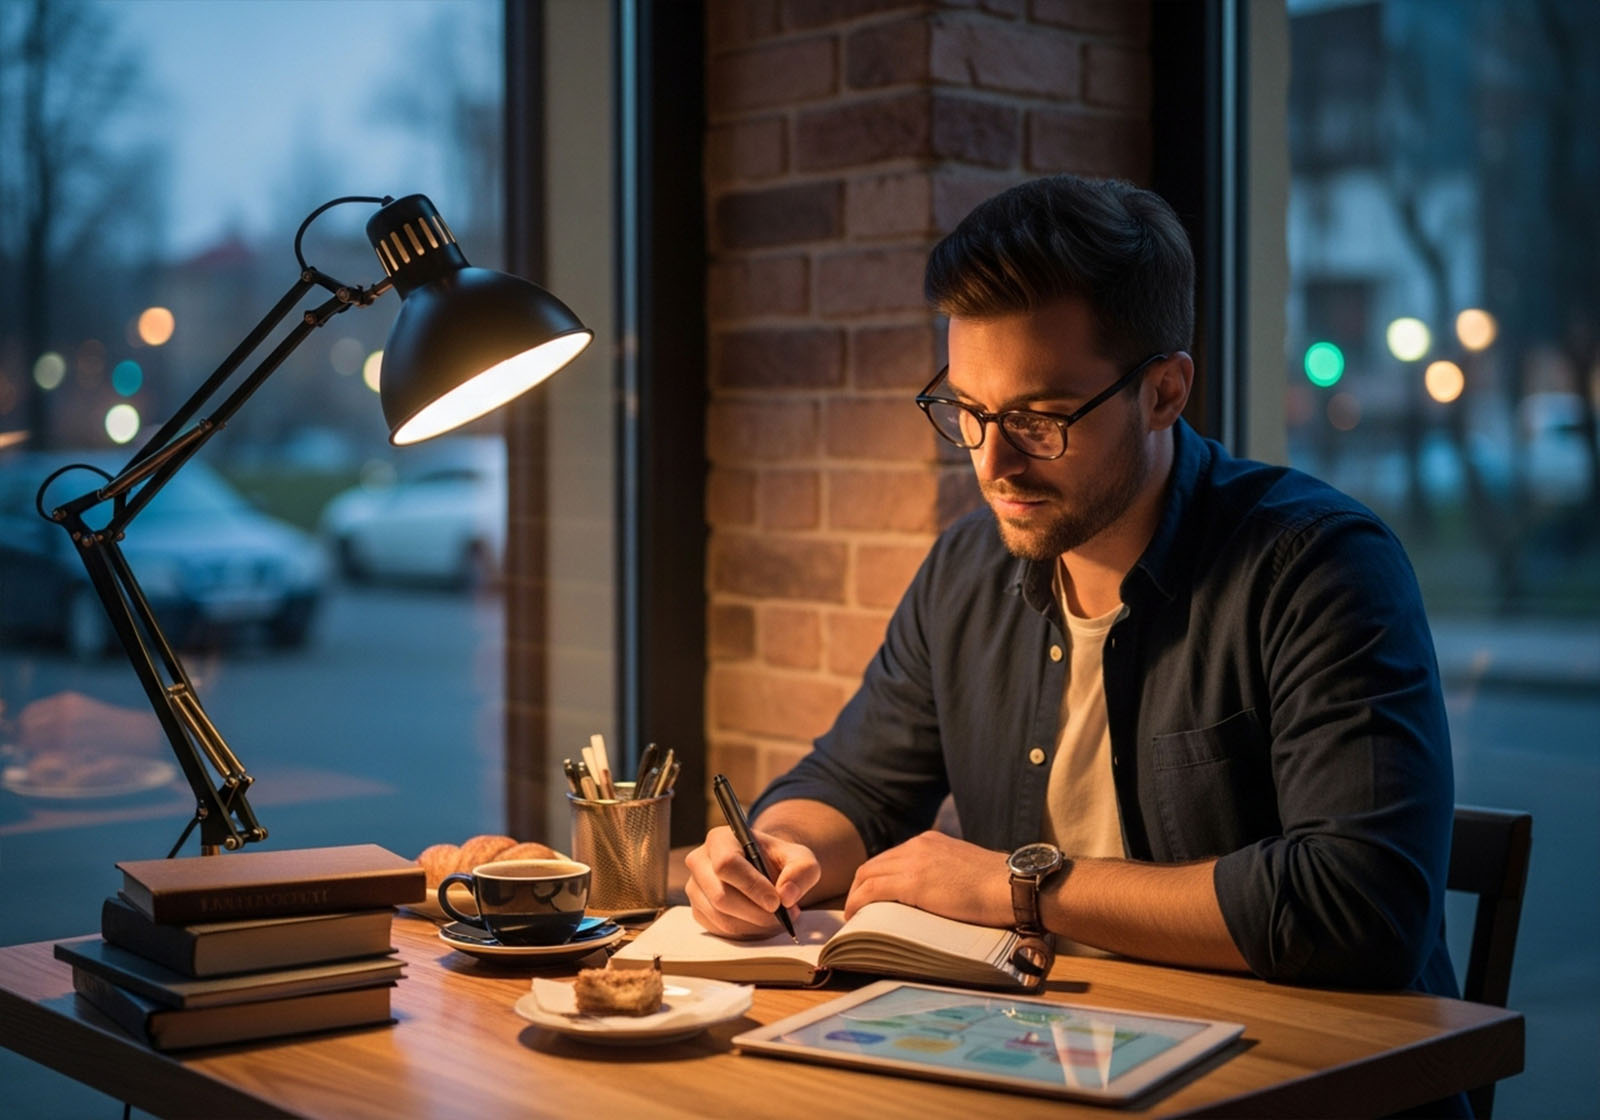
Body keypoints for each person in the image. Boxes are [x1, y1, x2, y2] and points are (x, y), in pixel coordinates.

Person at [685, 174, 1458, 1001]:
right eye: (968, 411)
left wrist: (1016, 888)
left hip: (1304, 1073)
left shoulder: (1316, 567)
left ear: (1164, 392)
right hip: (1045, 1053)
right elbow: (855, 784)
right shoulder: (967, 573)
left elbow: (1361, 904)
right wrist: (772, 849)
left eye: (1038, 419)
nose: (992, 463)